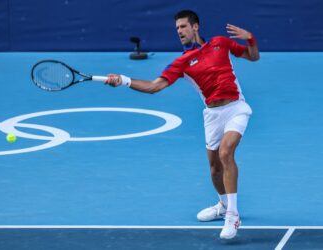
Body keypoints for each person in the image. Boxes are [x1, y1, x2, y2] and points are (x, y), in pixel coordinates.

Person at [105, 10, 260, 239]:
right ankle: (224, 205)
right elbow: (154, 86)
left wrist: (250, 38)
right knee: (215, 168)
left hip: (236, 108)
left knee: (226, 153)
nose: (179, 32)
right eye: (177, 28)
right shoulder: (182, 62)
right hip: (212, 115)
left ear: (195, 27)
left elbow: (252, 56)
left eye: (183, 27)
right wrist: (123, 81)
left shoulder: (221, 43)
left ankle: (233, 215)